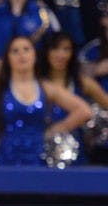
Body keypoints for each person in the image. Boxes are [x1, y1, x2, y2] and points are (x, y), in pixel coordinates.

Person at [0, 35, 90, 165]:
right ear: (8, 58)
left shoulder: (46, 88)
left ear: (34, 55)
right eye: (15, 51)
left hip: (39, 157)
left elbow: (84, 110)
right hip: (5, 156)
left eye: (26, 50)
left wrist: (57, 129)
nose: (21, 55)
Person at [39, 31, 108, 164]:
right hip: (41, 149)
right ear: (47, 52)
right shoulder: (36, 84)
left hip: (77, 152)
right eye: (55, 48)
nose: (61, 54)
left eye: (66, 49)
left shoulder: (82, 83)